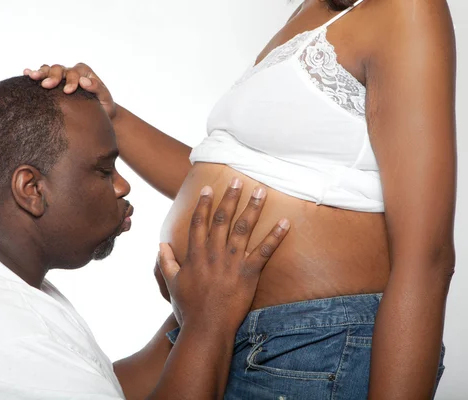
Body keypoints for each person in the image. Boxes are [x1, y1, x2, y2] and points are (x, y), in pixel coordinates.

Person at [25, 0, 457, 398]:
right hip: (212, 323)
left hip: (313, 344)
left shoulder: (406, 8)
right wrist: (110, 114)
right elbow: (226, 178)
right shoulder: (312, 10)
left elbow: (428, 256)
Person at [0, 76, 291, 399]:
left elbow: (95, 383)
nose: (123, 186)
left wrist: (192, 312)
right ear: (32, 189)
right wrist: (207, 323)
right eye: (104, 170)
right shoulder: (2, 338)